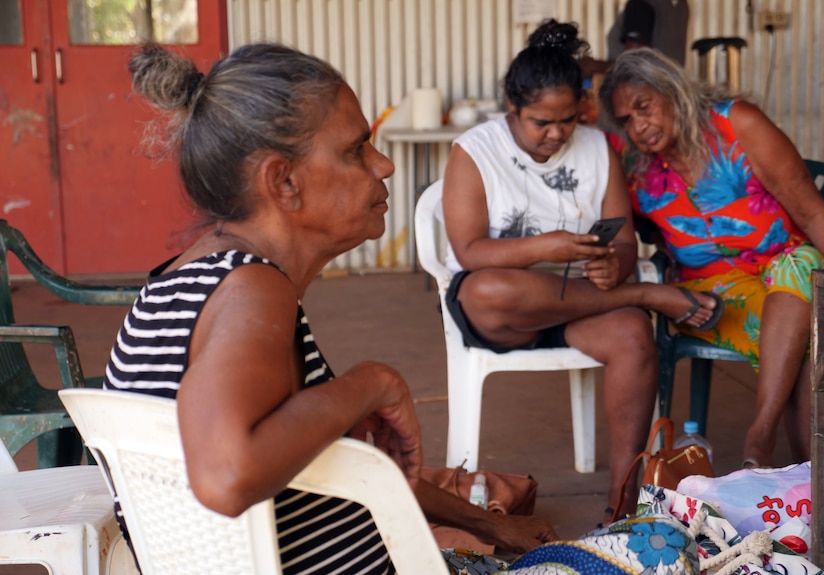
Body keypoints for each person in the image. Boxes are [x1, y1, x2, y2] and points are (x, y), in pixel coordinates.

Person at [104, 42, 556, 574]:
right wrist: (373, 382)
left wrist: (493, 525)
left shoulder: (187, 281)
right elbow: (227, 474)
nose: (383, 165)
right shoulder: (251, 289)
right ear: (283, 182)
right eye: (355, 149)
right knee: (659, 548)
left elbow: (343, 465)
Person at [441, 19, 723, 525]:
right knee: (491, 288)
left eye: (567, 120)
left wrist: (610, 264)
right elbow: (468, 250)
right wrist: (546, 246)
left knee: (633, 338)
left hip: (584, 304)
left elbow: (620, 241)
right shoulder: (474, 151)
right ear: (514, 109)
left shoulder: (597, 149)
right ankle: (647, 296)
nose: (556, 134)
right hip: (507, 311)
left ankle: (623, 504)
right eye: (540, 123)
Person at [598, 47, 824, 469]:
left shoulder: (736, 123)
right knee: (805, 342)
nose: (638, 126)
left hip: (786, 268)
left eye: (645, 107)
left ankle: (762, 439)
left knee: (803, 266)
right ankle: (816, 490)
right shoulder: (633, 166)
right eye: (625, 119)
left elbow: (811, 210)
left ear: (672, 91)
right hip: (709, 293)